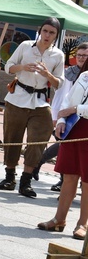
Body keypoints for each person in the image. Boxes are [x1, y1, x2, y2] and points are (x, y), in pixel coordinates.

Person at [0, 17, 64, 198]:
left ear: (56, 35)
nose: (47, 35)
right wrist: (23, 67)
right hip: (18, 97)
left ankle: (26, 181)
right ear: (40, 30)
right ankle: (9, 177)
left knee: (38, 139)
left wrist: (47, 74)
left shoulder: (58, 55)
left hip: (40, 101)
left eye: (52, 32)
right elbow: (8, 67)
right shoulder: (25, 45)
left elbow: (59, 83)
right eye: (45, 31)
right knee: (12, 136)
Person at [37, 55, 88, 240]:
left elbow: (72, 107)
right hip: (73, 128)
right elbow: (67, 100)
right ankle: (59, 219)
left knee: (87, 181)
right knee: (69, 176)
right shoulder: (84, 76)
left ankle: (83, 223)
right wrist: (61, 120)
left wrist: (76, 110)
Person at [33, 43, 88, 191]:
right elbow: (62, 97)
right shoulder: (70, 73)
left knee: (66, 148)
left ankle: (42, 166)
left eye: (85, 55)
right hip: (67, 117)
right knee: (65, 148)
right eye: (80, 55)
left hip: (81, 117)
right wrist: (58, 117)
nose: (82, 58)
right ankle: (63, 181)